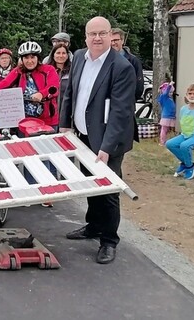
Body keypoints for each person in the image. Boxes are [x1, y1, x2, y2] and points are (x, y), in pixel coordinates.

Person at [59, 16, 136, 265]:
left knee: (108, 189)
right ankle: (93, 226)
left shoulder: (121, 67)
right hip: (82, 135)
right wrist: (64, 125)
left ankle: (109, 240)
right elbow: (70, 92)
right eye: (92, 34)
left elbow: (121, 112)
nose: (97, 38)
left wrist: (105, 147)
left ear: (111, 35)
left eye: (102, 33)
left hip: (108, 140)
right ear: (85, 37)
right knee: (90, 184)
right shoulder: (80, 57)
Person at [0, 41, 60, 130]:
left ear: (38, 58)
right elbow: (5, 83)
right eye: (26, 58)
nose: (29, 61)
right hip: (26, 120)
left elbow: (53, 87)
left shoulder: (48, 69)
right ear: (22, 59)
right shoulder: (19, 71)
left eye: (33, 57)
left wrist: (41, 94)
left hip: (47, 120)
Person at [167, 84, 194, 180]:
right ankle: (186, 162)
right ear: (186, 95)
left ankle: (189, 166)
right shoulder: (183, 109)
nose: (192, 96)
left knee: (184, 145)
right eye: (190, 93)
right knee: (170, 143)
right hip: (185, 135)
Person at [110, 28, 145, 101]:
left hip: (126, 105)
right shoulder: (103, 60)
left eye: (116, 40)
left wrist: (129, 100)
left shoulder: (133, 61)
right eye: (111, 40)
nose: (113, 43)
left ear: (122, 41)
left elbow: (139, 86)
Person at [157, 76, 177, 146]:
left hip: (171, 116)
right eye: (170, 92)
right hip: (166, 116)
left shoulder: (169, 98)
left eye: (172, 92)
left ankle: (168, 141)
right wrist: (170, 85)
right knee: (164, 129)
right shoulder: (163, 97)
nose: (171, 94)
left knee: (168, 129)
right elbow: (166, 93)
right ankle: (162, 142)